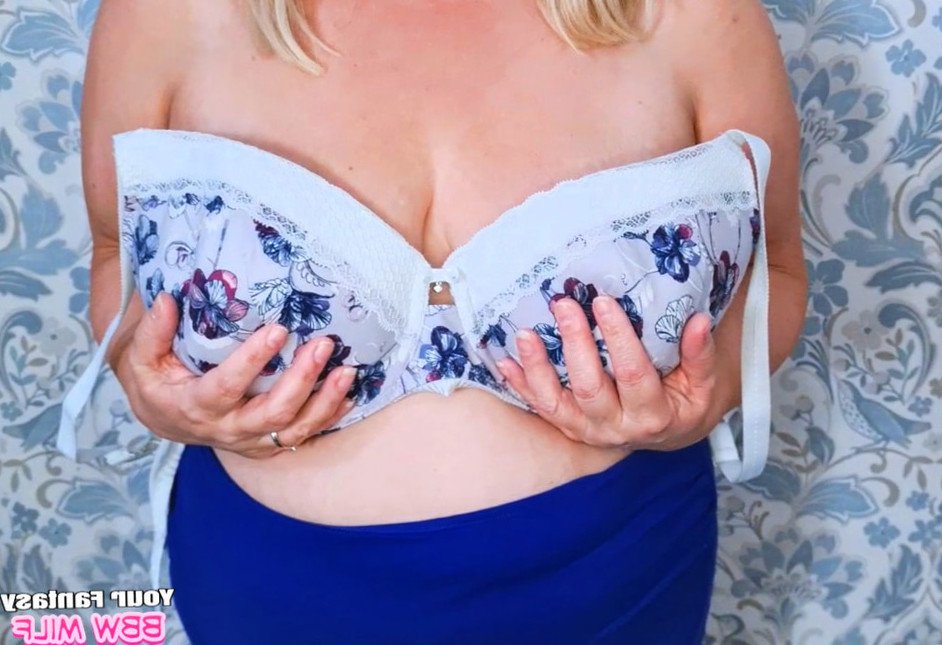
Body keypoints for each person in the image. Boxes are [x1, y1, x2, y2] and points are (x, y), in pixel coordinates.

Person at [66, 0, 806, 641]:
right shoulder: (166, 14)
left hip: (613, 574)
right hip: (274, 583)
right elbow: (114, 252)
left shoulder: (691, 13)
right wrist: (146, 382)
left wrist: (705, 396)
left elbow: (774, 269)